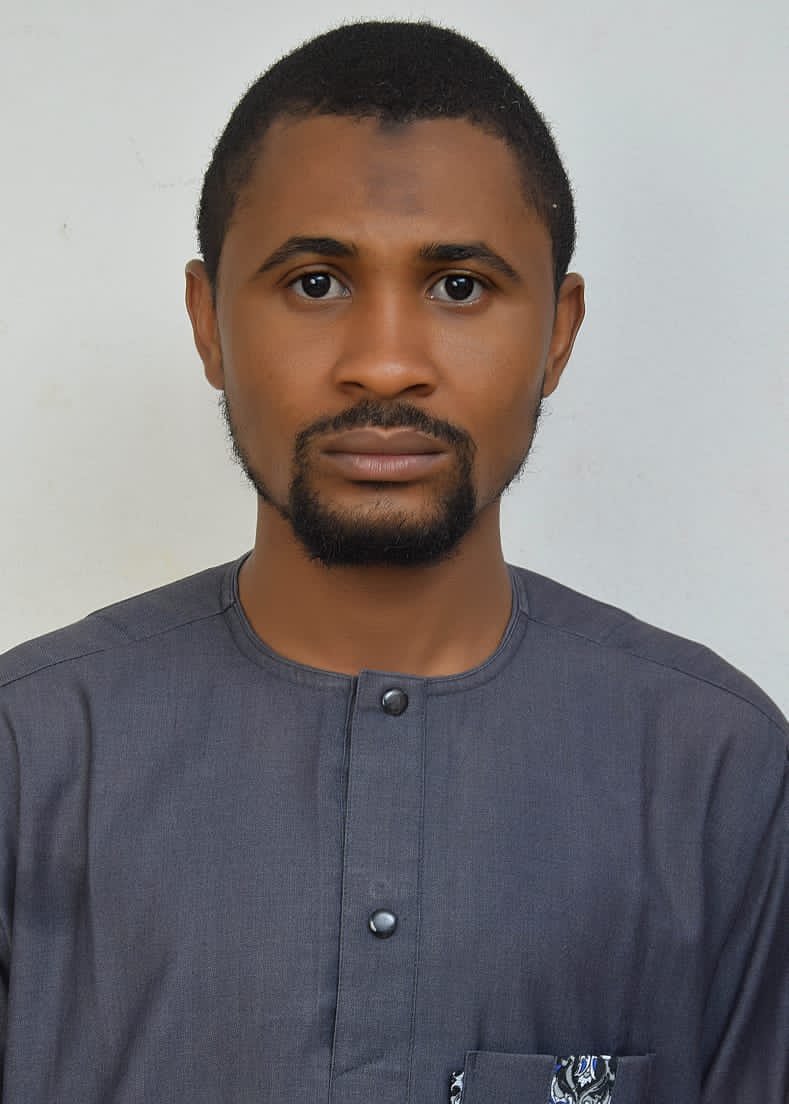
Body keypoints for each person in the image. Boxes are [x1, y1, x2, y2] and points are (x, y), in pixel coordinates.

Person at [0, 19, 785, 1104]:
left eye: (458, 286)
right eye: (316, 282)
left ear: (557, 335)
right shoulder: (29, 755)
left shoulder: (719, 773)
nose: (383, 363)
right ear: (208, 323)